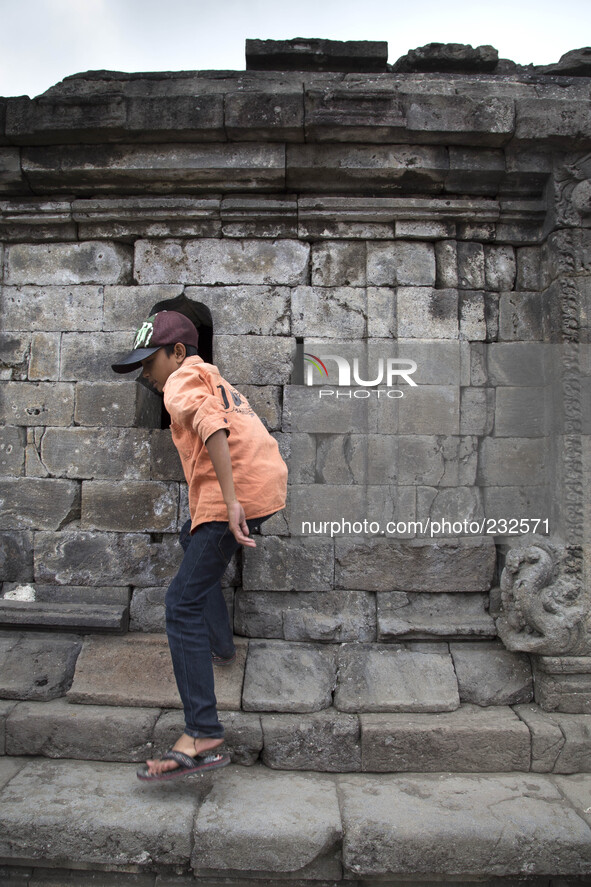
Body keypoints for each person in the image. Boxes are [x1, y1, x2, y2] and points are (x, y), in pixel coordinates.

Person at [111, 310, 288, 780]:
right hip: (266, 484)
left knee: (179, 605)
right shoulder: (212, 375)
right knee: (195, 555)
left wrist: (230, 503)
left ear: (178, 352)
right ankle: (221, 647)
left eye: (151, 361)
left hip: (236, 494)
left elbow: (212, 425)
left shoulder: (181, 381)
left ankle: (202, 733)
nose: (146, 373)